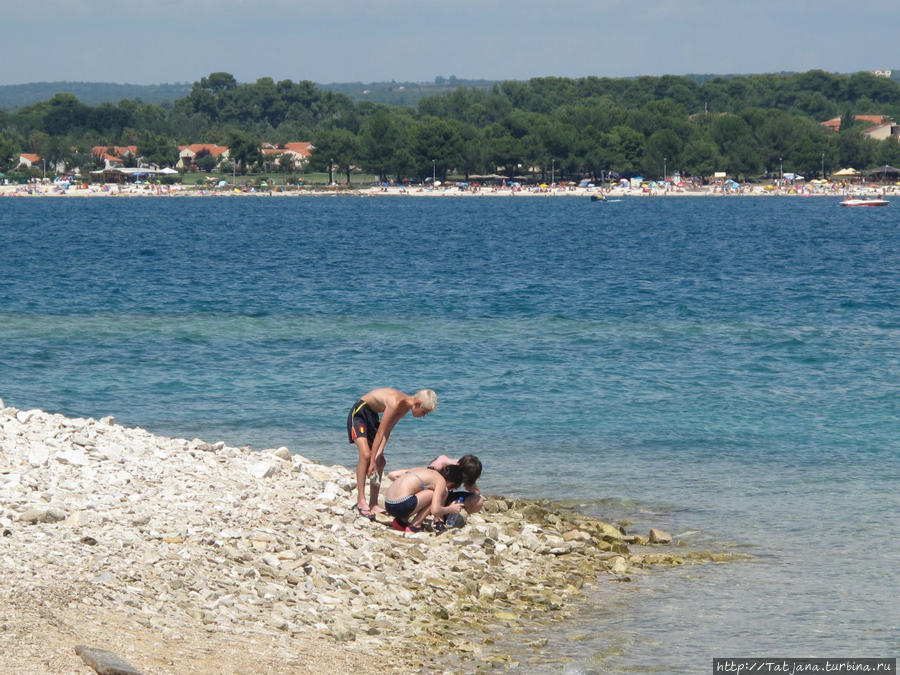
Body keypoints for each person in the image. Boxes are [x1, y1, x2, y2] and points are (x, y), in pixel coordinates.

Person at [346, 388, 437, 520]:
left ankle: (373, 503)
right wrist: (371, 461)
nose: (424, 416)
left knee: (380, 461)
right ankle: (361, 500)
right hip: (360, 413)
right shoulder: (395, 403)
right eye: (424, 412)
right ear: (417, 404)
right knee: (366, 456)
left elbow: (387, 430)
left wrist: (378, 454)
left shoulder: (404, 408)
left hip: (372, 416)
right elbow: (380, 433)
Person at [383, 464, 464, 532]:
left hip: (388, 504)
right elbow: (435, 510)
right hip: (401, 505)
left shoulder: (421, 470)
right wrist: (451, 508)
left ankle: (400, 522)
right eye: (451, 487)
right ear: (451, 483)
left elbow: (392, 474)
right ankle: (414, 526)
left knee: (416, 491)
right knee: (433, 494)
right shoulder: (441, 481)